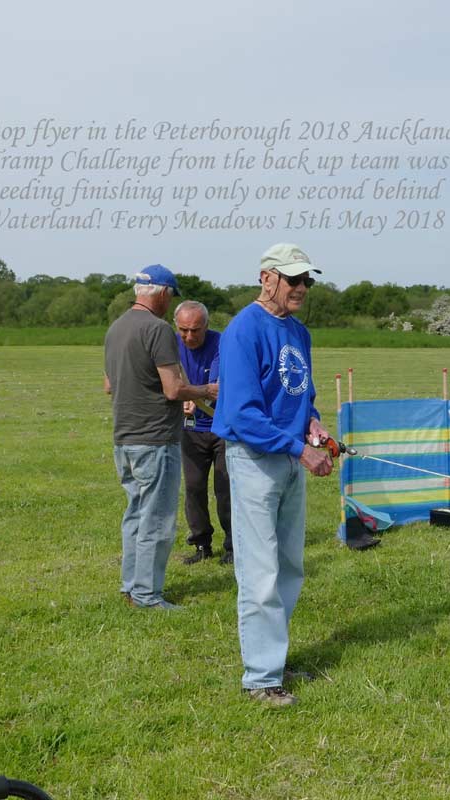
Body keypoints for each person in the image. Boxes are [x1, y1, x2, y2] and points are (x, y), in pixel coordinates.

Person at [213, 243, 333, 707]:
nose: (302, 287)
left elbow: (301, 394)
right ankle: (261, 679)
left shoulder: (299, 332)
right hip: (256, 460)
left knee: (288, 566)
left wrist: (312, 423)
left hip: (290, 457)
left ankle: (274, 660)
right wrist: (300, 450)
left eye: (308, 280)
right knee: (260, 571)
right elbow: (242, 414)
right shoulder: (243, 331)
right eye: (293, 279)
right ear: (267, 278)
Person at [103, 265, 216, 610]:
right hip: (155, 439)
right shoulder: (158, 329)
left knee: (135, 515)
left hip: (124, 439)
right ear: (164, 293)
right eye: (171, 297)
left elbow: (108, 385)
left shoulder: (116, 328)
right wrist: (207, 389)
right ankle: (147, 595)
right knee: (157, 520)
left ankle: (130, 587)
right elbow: (173, 389)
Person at [174, 300, 233, 565]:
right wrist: (181, 399)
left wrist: (194, 396)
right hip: (190, 430)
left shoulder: (221, 343)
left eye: (195, 330)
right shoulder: (170, 344)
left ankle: (233, 546)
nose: (189, 336)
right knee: (194, 487)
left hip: (222, 429)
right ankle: (201, 545)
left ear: (206, 325)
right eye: (183, 330)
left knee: (226, 489)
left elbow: (216, 386)